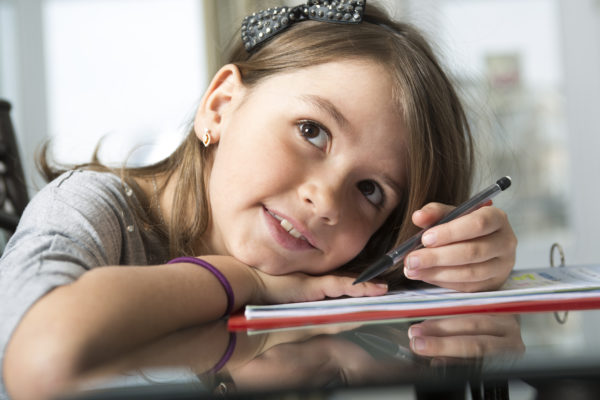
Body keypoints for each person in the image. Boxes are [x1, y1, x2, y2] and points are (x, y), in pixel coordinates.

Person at [0, 1, 517, 399]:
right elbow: (41, 356)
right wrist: (247, 281)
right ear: (221, 106)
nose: (326, 201)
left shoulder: (324, 273)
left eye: (370, 190)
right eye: (312, 131)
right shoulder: (91, 207)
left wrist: (469, 266)